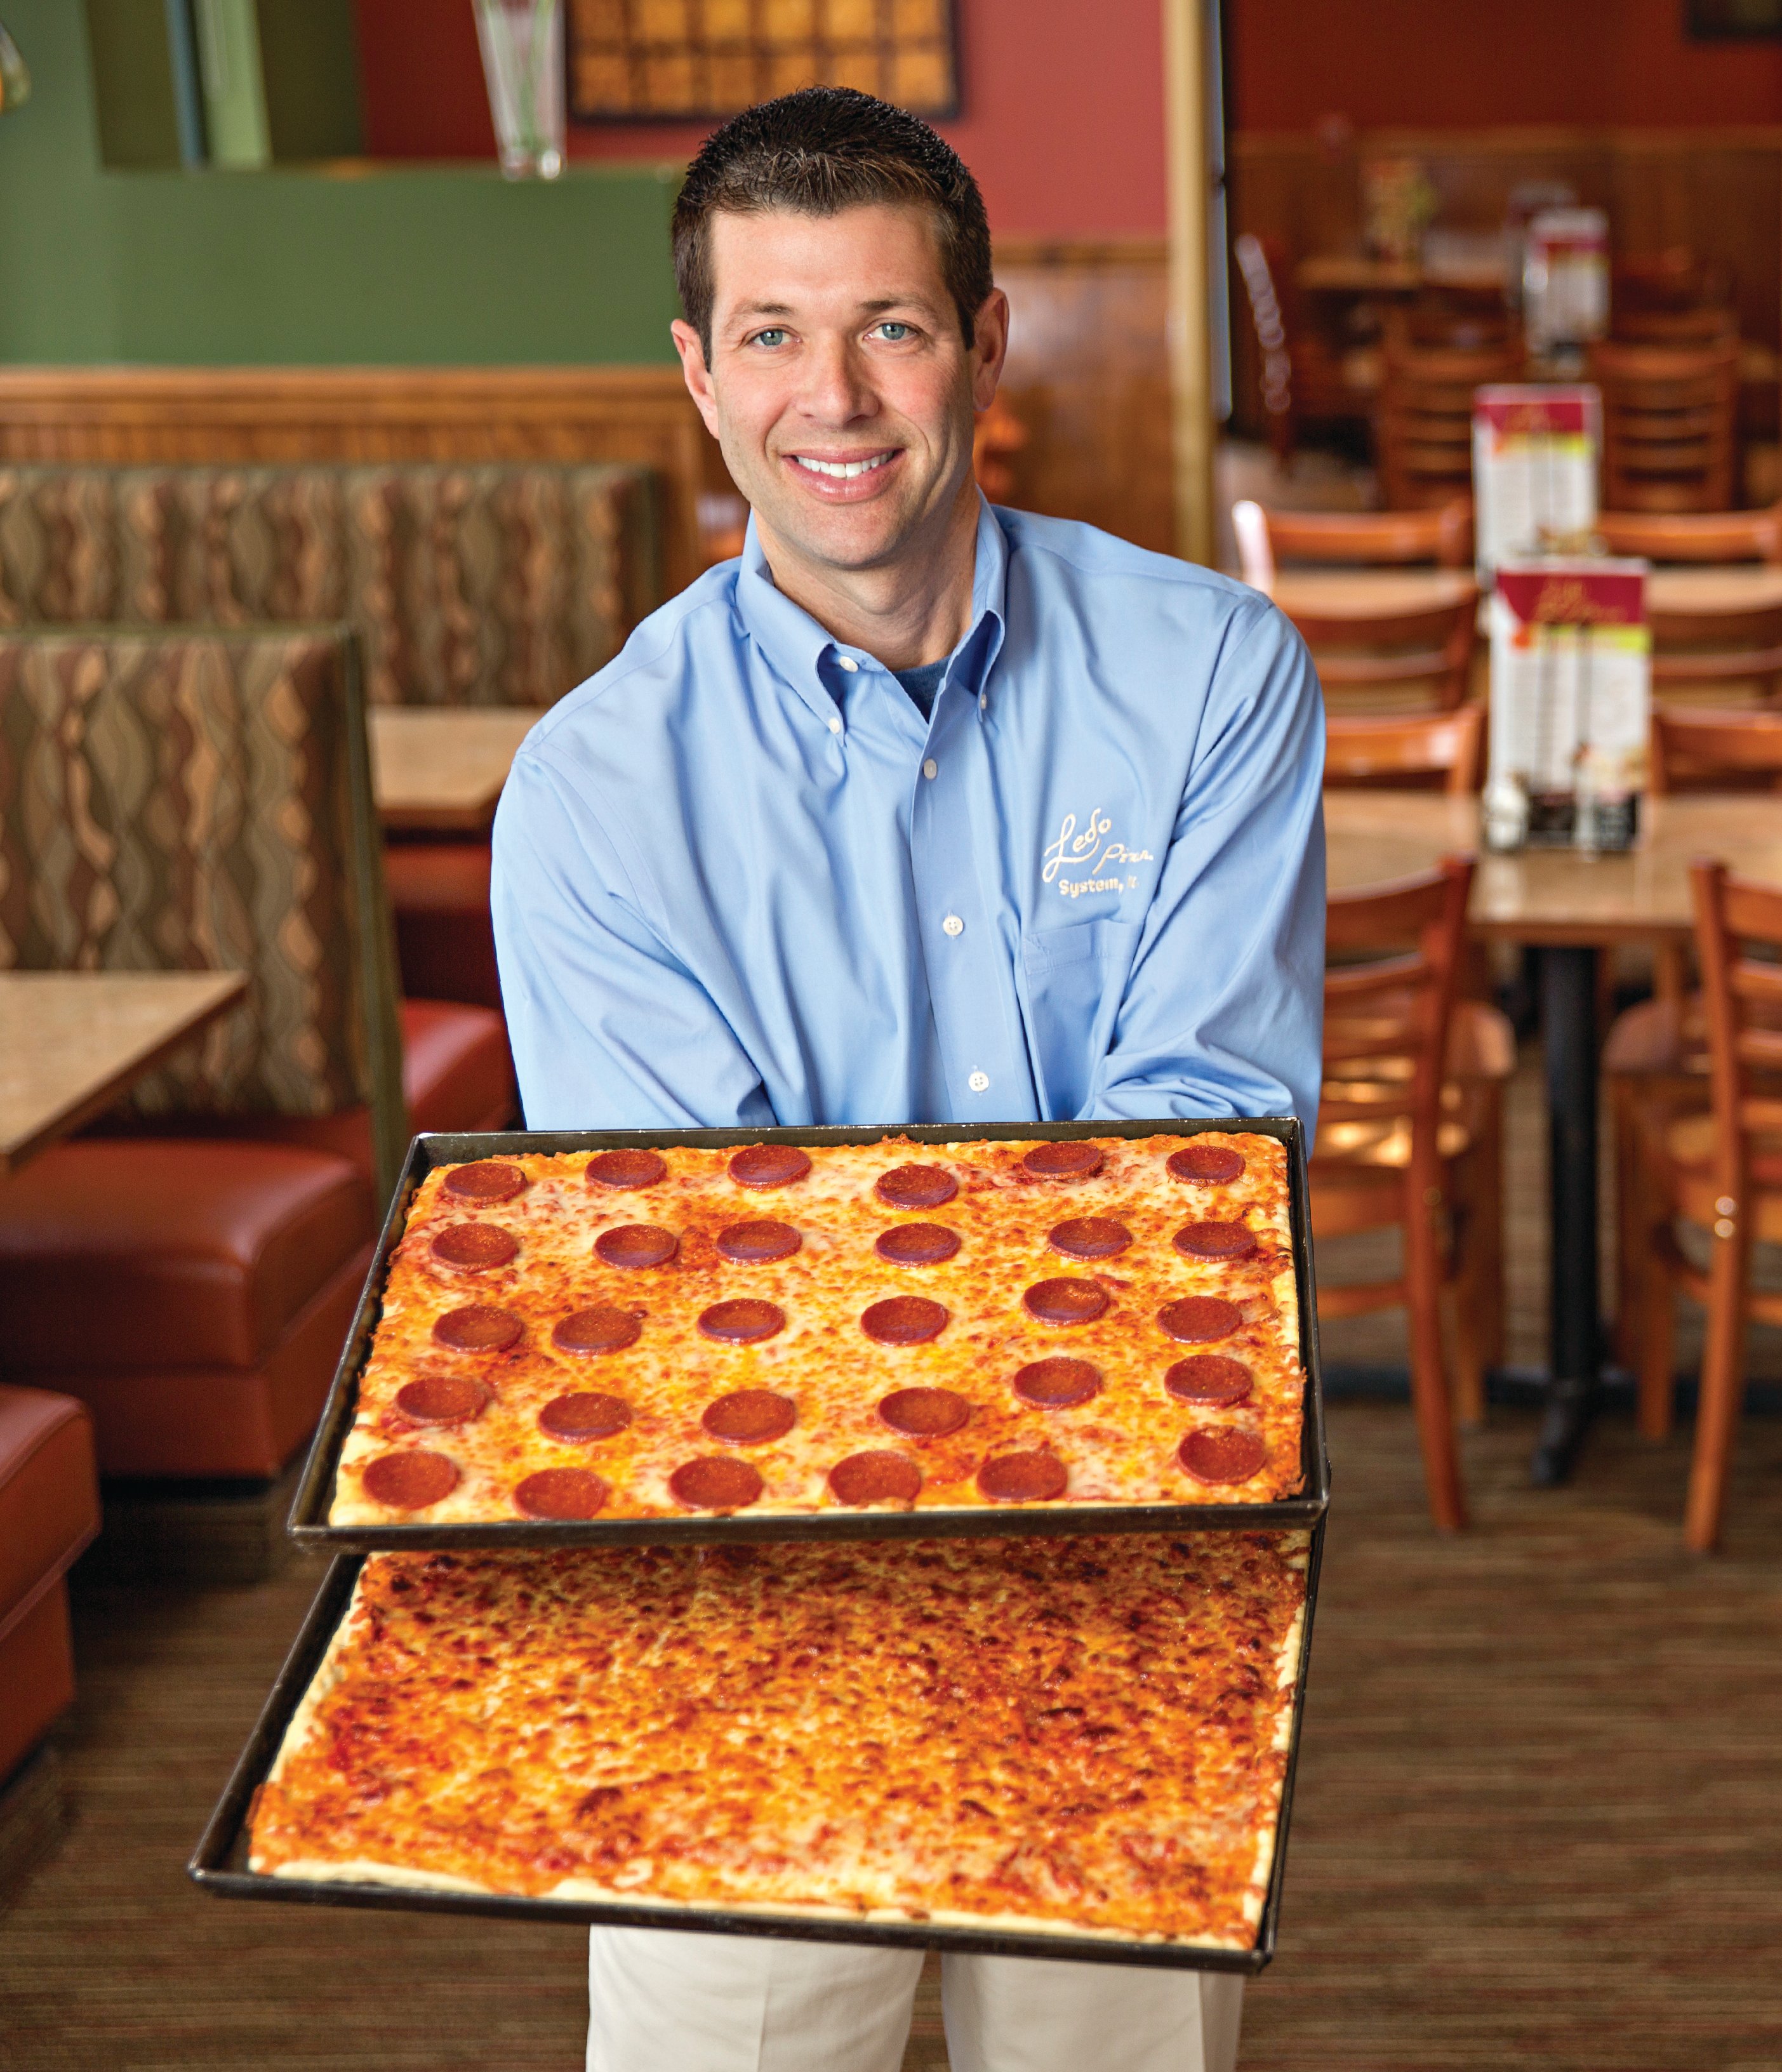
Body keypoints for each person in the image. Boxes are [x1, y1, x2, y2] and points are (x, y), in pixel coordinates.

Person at [492, 84, 1324, 2072]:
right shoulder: (595, 792)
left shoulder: (1213, 673)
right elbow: (703, 1287)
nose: (835, 398)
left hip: (1121, 1595)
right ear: (697, 375)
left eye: (891, 326)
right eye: (772, 333)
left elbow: (1205, 1181)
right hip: (752, 1617)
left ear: (985, 344)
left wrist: (859, 1242)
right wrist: (1041, 1244)